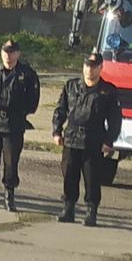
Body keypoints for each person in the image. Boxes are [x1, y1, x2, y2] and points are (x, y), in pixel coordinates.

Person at [51, 53, 122, 227]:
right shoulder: (71, 86)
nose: (89, 69)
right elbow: (60, 110)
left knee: (92, 178)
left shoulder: (108, 90)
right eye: (87, 66)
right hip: (72, 138)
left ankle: (91, 211)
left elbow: (115, 119)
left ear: (100, 68)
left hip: (94, 139)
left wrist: (109, 141)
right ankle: (68, 209)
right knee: (69, 174)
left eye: (93, 66)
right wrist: (56, 131)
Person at [0, 40, 40, 211]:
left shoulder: (27, 74)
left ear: (18, 54)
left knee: (11, 162)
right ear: (1, 53)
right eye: (5, 52)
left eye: (12, 52)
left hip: (13, 124)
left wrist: (21, 113)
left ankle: (9, 197)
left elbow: (33, 99)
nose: (8, 55)